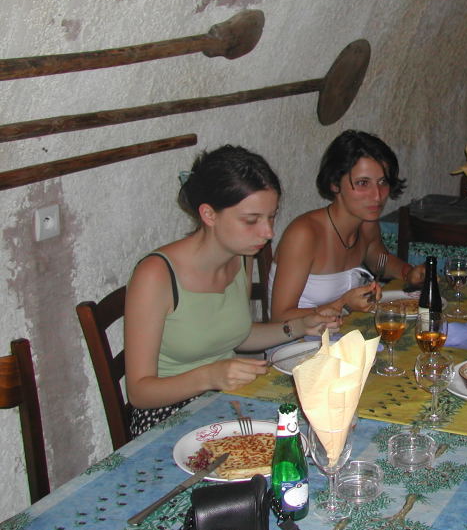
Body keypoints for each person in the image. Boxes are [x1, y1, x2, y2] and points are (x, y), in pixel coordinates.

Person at [124, 145, 340, 436]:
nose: (268, 232)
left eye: (271, 217)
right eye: (251, 220)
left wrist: (300, 326)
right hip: (167, 417)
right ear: (209, 214)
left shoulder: (241, 257)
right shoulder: (156, 275)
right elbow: (139, 392)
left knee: (323, 422)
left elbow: (237, 334)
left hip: (223, 401)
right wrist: (210, 376)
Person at [270, 130, 425, 321]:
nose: (377, 196)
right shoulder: (304, 234)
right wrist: (342, 304)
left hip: (343, 331)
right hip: (300, 337)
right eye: (363, 183)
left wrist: (408, 272)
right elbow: (280, 317)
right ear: (335, 184)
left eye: (382, 182)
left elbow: (379, 260)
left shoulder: (366, 223)